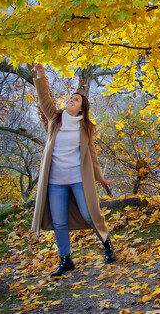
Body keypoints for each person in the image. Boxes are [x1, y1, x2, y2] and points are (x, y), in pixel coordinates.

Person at [30, 63, 115, 277]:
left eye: (76, 99)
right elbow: (44, 98)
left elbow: (92, 155)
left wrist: (100, 177)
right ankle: (65, 260)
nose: (71, 100)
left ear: (81, 109)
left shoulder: (86, 128)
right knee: (59, 221)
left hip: (79, 179)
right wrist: (40, 76)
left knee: (90, 214)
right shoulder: (55, 119)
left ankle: (107, 246)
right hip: (55, 181)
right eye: (71, 97)